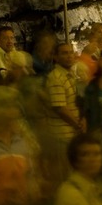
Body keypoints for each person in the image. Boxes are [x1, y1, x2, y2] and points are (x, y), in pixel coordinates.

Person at [43, 42, 84, 187]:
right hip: (62, 134)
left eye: (70, 52)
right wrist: (78, 125)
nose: (69, 56)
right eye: (64, 53)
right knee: (66, 175)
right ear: (56, 57)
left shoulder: (70, 75)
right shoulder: (56, 78)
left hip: (71, 133)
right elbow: (59, 107)